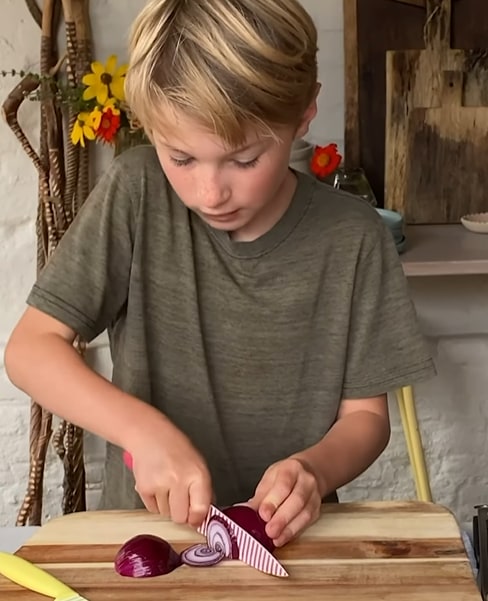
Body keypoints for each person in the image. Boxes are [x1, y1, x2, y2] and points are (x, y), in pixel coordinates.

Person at [4, 0, 435, 549]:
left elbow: (366, 419)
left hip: (293, 543)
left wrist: (315, 471)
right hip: (147, 534)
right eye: (181, 158)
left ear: (304, 114)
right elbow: (31, 349)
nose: (210, 193)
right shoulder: (136, 193)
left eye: (244, 159)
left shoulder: (354, 236)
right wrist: (144, 431)